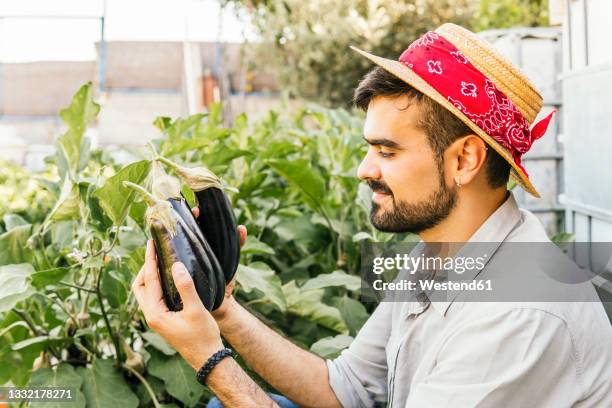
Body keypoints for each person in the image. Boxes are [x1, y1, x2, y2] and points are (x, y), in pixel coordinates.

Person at [132, 23, 612, 407]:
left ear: (464, 160)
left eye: (387, 150)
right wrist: (222, 310)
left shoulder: (521, 315)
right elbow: (346, 388)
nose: (364, 170)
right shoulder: (442, 253)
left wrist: (209, 358)